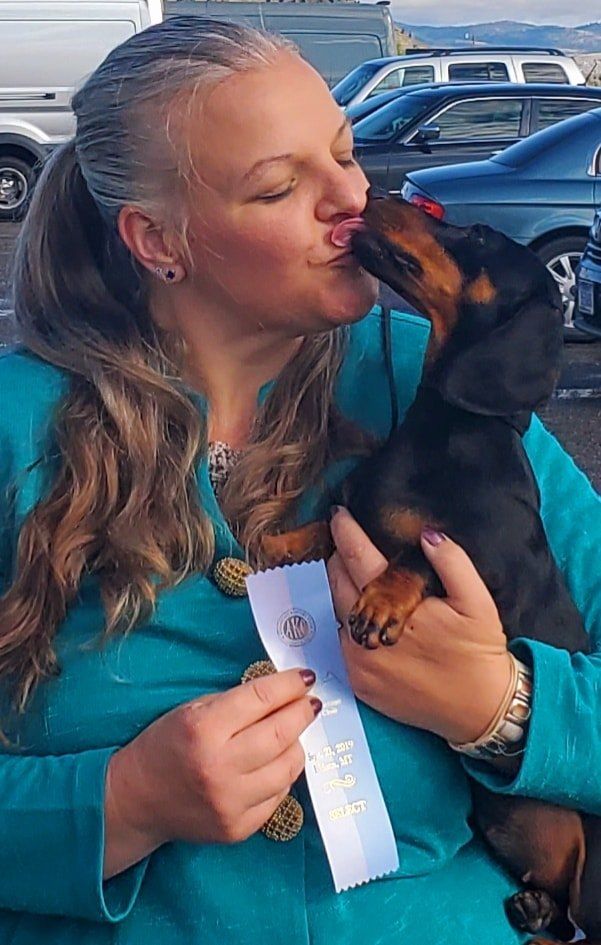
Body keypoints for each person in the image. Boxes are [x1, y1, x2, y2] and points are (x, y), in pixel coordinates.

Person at [0, 16, 599, 945]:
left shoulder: (448, 392)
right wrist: (119, 802)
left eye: (346, 154)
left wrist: (503, 707)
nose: (353, 197)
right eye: (280, 185)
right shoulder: (18, 429)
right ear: (156, 239)